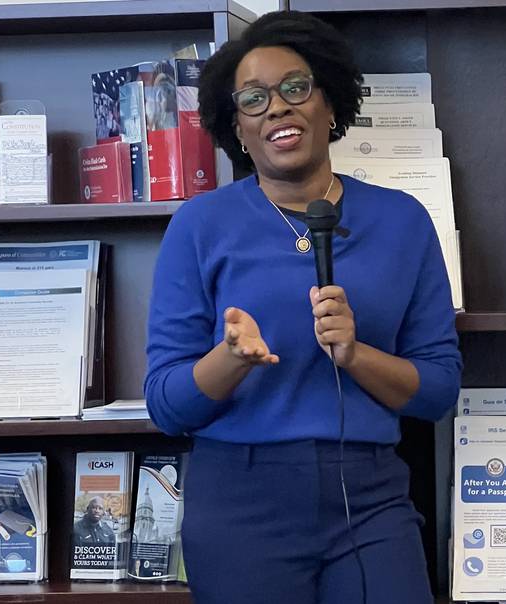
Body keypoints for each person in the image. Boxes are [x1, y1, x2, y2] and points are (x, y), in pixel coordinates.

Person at [144, 10, 461, 604]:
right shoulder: (200, 225)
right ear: (238, 129)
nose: (277, 109)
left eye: (295, 88)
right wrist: (231, 357)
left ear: (330, 104)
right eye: (254, 99)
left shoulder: (402, 221)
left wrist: (357, 355)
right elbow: (166, 406)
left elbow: (439, 391)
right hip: (241, 504)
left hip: (370, 499)